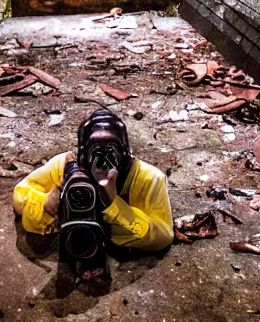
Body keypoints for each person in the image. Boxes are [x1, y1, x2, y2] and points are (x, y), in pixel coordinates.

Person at [13, 109, 173, 269]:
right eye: (95, 148)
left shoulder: (148, 178)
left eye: (111, 149)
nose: (102, 161)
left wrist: (114, 205)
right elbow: (21, 195)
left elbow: (164, 236)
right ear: (82, 153)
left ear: (124, 151)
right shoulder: (63, 166)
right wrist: (50, 204)